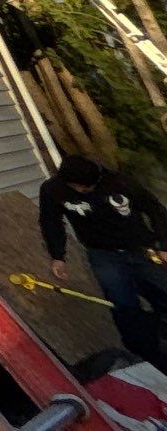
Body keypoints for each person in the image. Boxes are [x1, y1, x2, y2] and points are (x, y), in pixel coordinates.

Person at [40, 153, 167, 365]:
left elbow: (155, 209)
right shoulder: (53, 190)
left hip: (141, 249)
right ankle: (150, 357)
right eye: (80, 188)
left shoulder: (119, 182)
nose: (84, 192)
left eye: (89, 187)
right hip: (103, 254)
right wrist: (57, 256)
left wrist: (164, 245)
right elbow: (51, 221)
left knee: (162, 290)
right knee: (124, 306)